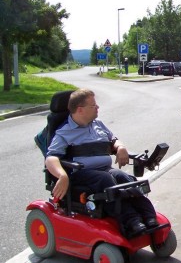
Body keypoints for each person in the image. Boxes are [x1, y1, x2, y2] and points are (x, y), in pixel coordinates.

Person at [45, 89, 158, 237]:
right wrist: (62, 176)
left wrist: (120, 146)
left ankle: (149, 216)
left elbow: (113, 140)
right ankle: (131, 221)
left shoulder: (98, 124)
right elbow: (51, 157)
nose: (97, 108)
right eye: (93, 106)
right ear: (80, 110)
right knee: (106, 180)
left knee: (125, 179)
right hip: (81, 174)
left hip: (104, 169)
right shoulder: (64, 132)